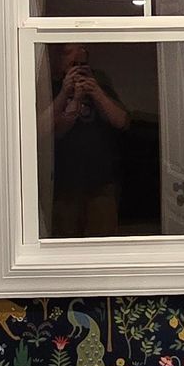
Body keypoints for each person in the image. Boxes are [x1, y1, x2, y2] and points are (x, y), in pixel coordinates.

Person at [45, 42, 128, 236]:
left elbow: (122, 121)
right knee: (64, 248)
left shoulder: (99, 81)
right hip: (63, 187)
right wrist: (66, 94)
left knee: (103, 247)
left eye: (81, 55)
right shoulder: (48, 85)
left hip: (102, 185)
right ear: (58, 58)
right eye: (69, 55)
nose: (77, 62)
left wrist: (96, 91)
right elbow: (48, 131)